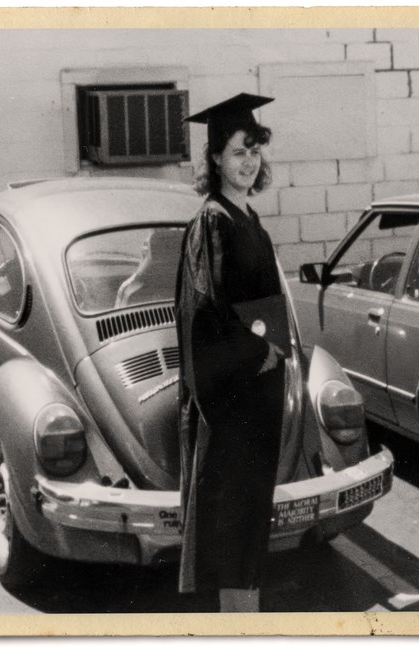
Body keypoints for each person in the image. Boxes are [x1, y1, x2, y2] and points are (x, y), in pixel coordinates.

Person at [175, 93, 288, 613]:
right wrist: (263, 354)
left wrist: (276, 351)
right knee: (233, 536)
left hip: (258, 400)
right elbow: (205, 320)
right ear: (215, 157)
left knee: (250, 534)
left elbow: (268, 305)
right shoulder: (212, 224)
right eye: (240, 151)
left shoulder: (251, 220)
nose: (249, 162)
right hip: (232, 410)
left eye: (255, 151)